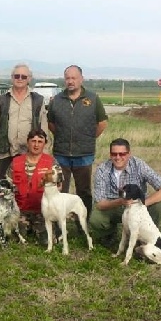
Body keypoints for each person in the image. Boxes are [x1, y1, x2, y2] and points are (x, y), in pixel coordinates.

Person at [47, 65, 108, 217]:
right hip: (62, 154)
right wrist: (62, 136)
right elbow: (51, 124)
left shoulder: (93, 99)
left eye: (74, 78)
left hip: (84, 154)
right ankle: (60, 224)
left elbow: (102, 123)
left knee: (84, 191)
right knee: (60, 190)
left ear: (81, 79)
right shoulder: (57, 100)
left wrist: (87, 137)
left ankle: (84, 222)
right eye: (67, 78)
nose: (70, 81)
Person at [90, 138, 161, 248]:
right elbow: (100, 203)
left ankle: (143, 237)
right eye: (114, 154)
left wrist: (142, 203)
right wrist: (120, 202)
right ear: (110, 155)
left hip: (138, 207)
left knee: (158, 206)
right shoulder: (102, 169)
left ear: (129, 154)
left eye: (122, 154)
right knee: (96, 218)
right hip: (114, 206)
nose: (118, 157)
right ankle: (109, 234)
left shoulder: (139, 165)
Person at [0, 63, 50, 179]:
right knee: (4, 189)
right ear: (12, 78)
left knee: (29, 188)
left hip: (30, 153)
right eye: (17, 76)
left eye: (23, 77)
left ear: (29, 79)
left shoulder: (38, 100)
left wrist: (45, 153)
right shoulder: (1, 100)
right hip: (6, 152)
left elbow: (43, 128)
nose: (20, 79)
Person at [5, 129, 55, 242]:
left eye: (40, 141)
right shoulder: (16, 162)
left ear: (44, 144)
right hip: (19, 210)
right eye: (33, 141)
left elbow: (59, 188)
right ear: (28, 142)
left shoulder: (52, 162)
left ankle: (40, 229)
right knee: (13, 239)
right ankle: (25, 228)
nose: (36, 145)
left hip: (42, 211)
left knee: (47, 241)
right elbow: (6, 187)